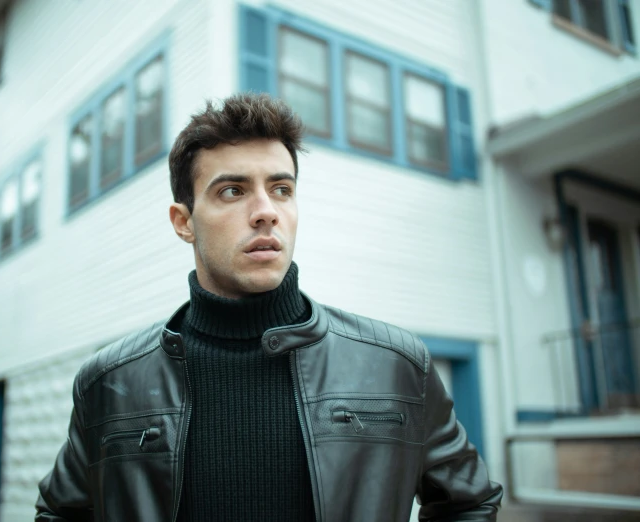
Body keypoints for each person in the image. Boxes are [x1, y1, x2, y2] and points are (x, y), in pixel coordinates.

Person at [36, 93, 503, 521]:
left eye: (281, 189)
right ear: (184, 222)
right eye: (232, 191)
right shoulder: (111, 383)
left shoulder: (396, 366)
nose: (267, 211)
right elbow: (61, 513)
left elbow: (470, 503)